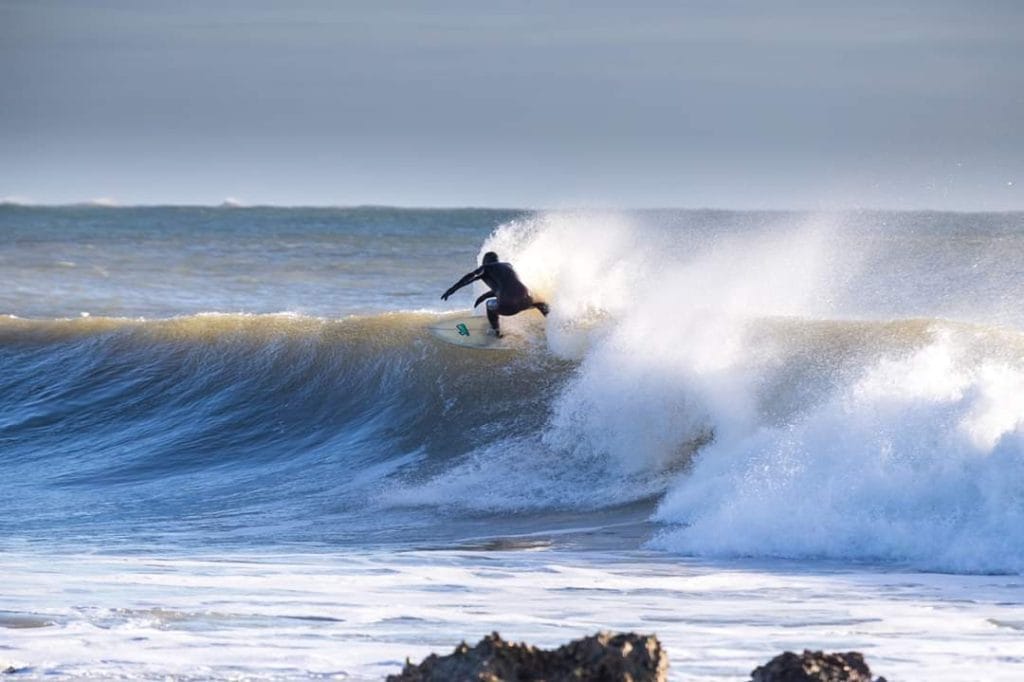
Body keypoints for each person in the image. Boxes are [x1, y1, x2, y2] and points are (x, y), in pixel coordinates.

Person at [441, 251, 549, 337]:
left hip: (508, 306)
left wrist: (452, 289)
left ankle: (496, 332)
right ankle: (552, 323)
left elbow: (472, 276)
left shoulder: (486, 267)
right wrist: (483, 296)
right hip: (526, 299)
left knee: (490, 305)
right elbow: (505, 287)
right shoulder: (507, 265)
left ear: (485, 262)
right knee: (540, 304)